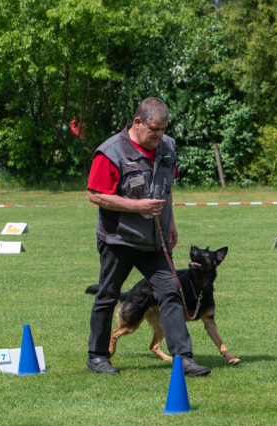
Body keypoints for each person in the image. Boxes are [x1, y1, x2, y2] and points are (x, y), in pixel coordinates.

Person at [86, 97, 210, 377]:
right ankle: (97, 357)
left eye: (163, 129)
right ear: (138, 122)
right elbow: (95, 194)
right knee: (107, 295)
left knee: (171, 292)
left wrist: (171, 224)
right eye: (154, 128)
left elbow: (167, 189)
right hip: (119, 239)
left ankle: (183, 358)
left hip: (155, 240)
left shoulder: (167, 147)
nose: (159, 135)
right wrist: (135, 206)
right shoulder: (110, 152)